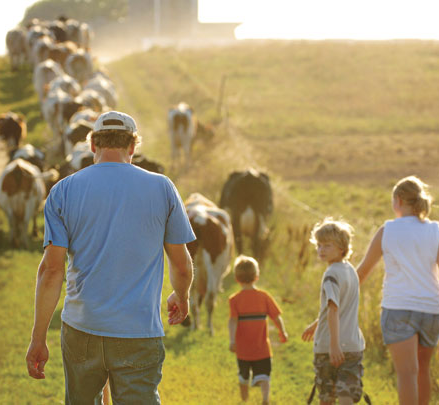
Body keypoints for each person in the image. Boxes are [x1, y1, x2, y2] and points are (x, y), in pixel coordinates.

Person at [25, 111, 195, 405]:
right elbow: (181, 264)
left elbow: (51, 272)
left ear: (93, 145)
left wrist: (38, 338)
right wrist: (182, 295)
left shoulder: (63, 191)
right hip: (138, 330)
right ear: (132, 147)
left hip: (81, 329)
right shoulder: (162, 188)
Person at [355, 175, 439, 405]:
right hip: (432, 310)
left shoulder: (387, 231)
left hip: (398, 308)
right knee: (422, 371)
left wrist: (338, 299)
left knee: (406, 374)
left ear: (398, 200)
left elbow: (362, 272)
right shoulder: (436, 231)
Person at [302, 218, 366, 405]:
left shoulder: (331, 275)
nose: (321, 250)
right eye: (319, 245)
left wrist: (334, 345)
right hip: (354, 346)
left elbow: (333, 309)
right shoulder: (351, 271)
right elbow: (339, 305)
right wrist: (316, 324)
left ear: (341, 247)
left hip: (329, 347)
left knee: (327, 397)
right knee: (347, 394)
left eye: (327, 245)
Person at [228, 255, 288, 405]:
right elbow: (276, 317)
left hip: (242, 349)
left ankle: (244, 395)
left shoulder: (234, 300)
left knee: (244, 374)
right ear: (256, 276)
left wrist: (232, 340)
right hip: (262, 347)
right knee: (264, 375)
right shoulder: (264, 296)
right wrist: (282, 331)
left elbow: (232, 321)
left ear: (237, 278)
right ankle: (265, 399)